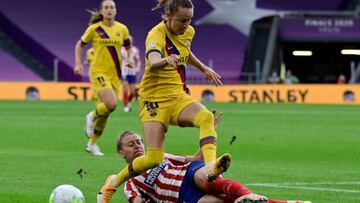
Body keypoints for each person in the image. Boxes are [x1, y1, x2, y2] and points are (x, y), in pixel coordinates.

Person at [97, 0, 230, 202]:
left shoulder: (189, 31)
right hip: (154, 101)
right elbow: (152, 59)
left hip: (177, 95)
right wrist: (166, 60)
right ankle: (113, 182)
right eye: (182, 20)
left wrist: (203, 67)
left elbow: (184, 50)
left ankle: (211, 167)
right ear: (168, 16)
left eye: (189, 20)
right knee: (154, 158)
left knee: (205, 117)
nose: (186, 24)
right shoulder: (155, 35)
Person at [101, 110, 311, 203]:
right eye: (131, 144)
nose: (138, 145)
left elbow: (194, 159)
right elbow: (136, 200)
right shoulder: (129, 182)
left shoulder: (160, 155)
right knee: (224, 201)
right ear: (121, 153)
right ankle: (287, 202)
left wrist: (209, 133)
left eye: (139, 141)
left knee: (206, 174)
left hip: (188, 175)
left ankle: (223, 175)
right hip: (182, 197)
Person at [74, 0, 133, 156]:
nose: (109, 10)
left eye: (112, 7)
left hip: (115, 75)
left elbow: (128, 46)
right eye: (106, 8)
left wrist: (129, 59)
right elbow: (80, 45)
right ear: (101, 12)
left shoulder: (122, 29)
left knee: (106, 111)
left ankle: (92, 144)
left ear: (115, 10)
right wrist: (79, 63)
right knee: (111, 104)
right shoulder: (95, 29)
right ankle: (91, 116)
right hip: (99, 72)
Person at [121, 36, 141, 112]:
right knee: (125, 89)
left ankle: (129, 102)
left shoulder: (135, 50)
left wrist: (138, 68)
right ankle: (125, 106)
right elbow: (119, 59)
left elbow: (138, 60)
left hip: (132, 72)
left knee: (132, 92)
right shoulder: (122, 49)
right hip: (124, 72)